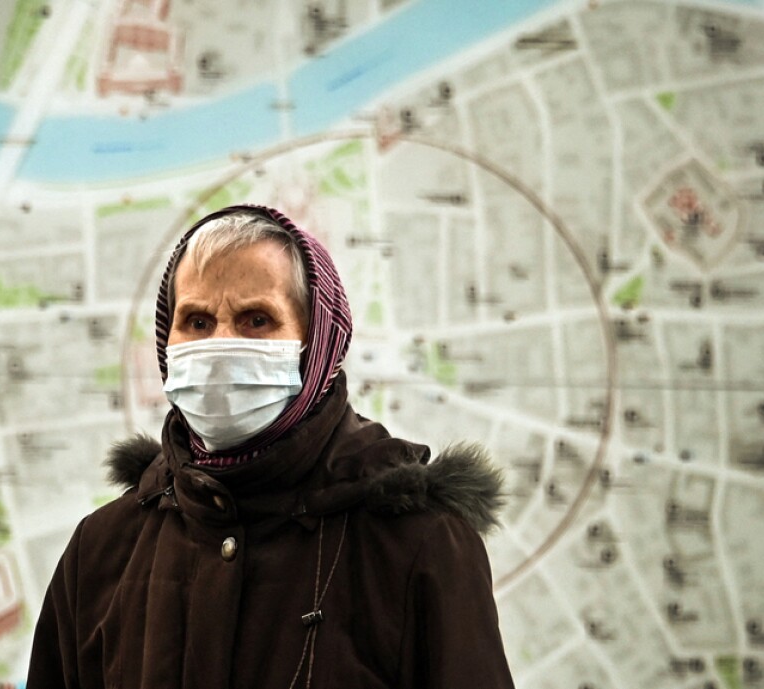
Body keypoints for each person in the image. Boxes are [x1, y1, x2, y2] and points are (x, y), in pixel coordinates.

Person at [27, 204, 515, 688]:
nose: (220, 347)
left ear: (318, 343)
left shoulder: (420, 545)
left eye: (256, 319)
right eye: (196, 322)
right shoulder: (101, 549)